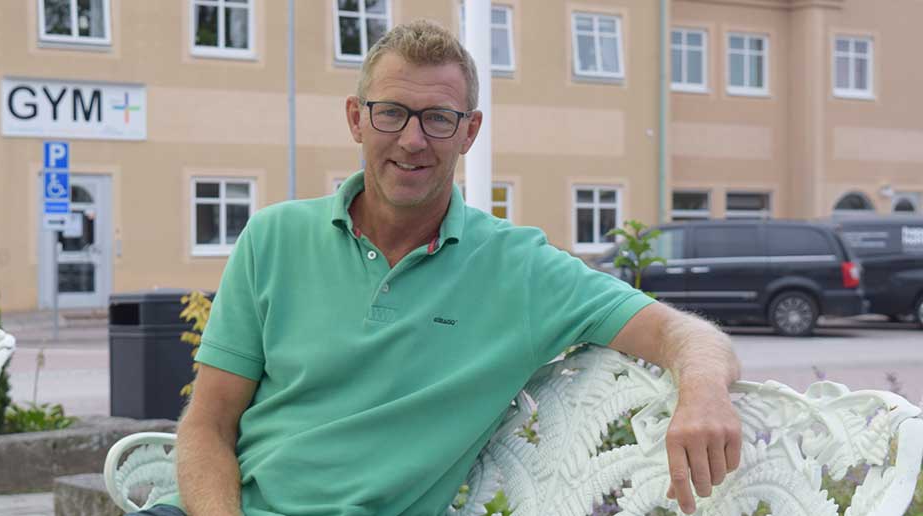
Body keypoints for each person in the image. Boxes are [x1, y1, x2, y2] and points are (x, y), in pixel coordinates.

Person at [136, 19, 741, 516]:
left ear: (469, 132)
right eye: (391, 112)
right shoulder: (274, 237)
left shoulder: (519, 268)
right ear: (356, 118)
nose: (412, 139)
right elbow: (208, 423)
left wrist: (704, 392)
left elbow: (680, 332)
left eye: (438, 118)